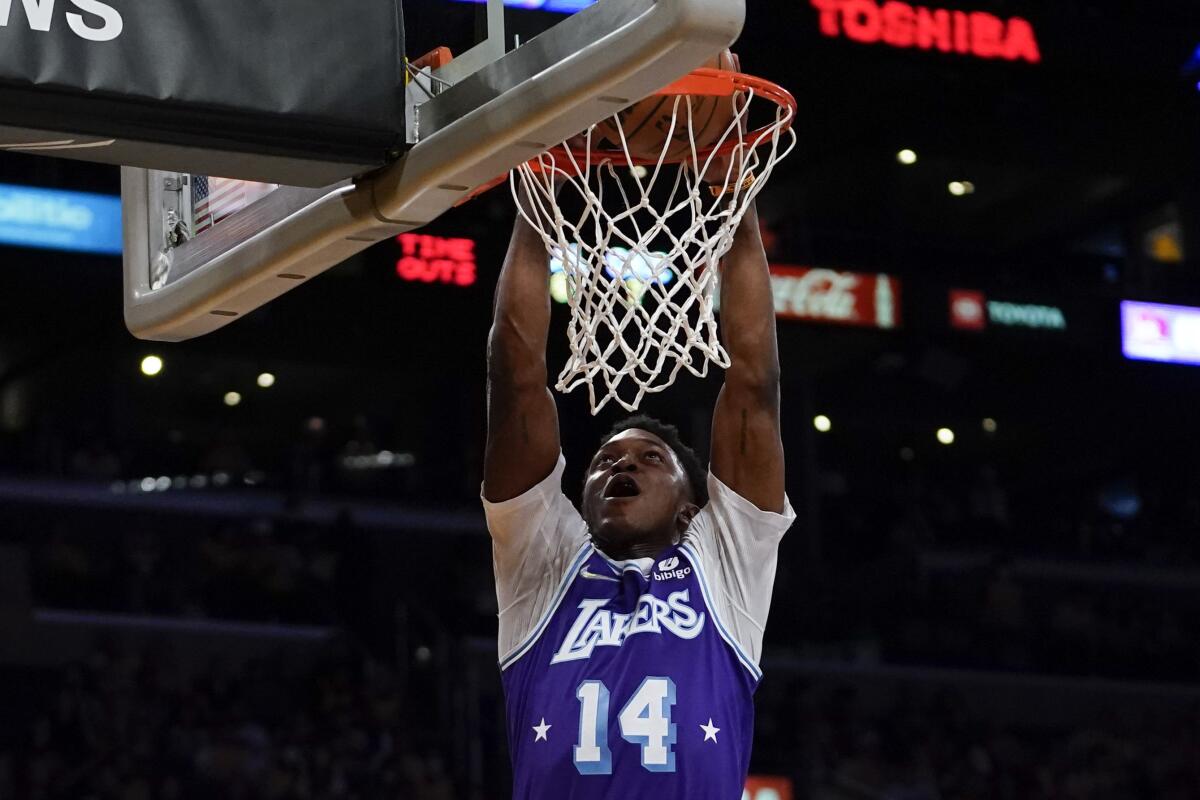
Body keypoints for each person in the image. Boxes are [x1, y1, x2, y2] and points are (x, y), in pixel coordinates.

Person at [482, 152, 793, 797]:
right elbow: (516, 382)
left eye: (651, 458)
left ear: (691, 505)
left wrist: (736, 203)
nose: (620, 463)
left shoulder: (725, 559)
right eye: (603, 462)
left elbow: (753, 384)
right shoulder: (543, 560)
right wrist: (535, 198)